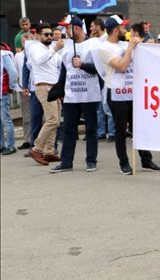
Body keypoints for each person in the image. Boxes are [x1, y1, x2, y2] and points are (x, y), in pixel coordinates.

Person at [95, 15, 160, 174]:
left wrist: (147, 44)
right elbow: (122, 66)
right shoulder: (104, 48)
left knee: (138, 127)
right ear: (115, 30)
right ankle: (124, 162)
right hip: (116, 92)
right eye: (123, 28)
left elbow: (144, 51)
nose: (126, 31)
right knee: (120, 130)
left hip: (132, 92)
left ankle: (147, 160)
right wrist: (131, 47)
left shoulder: (124, 44)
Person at [52, 17, 101, 172]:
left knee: (91, 128)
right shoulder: (67, 46)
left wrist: (83, 65)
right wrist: (60, 89)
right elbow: (64, 70)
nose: (65, 32)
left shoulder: (93, 44)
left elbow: (99, 68)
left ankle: (91, 160)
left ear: (77, 28)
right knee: (69, 129)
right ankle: (66, 162)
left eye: (68, 28)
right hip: (71, 94)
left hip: (89, 94)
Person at [25, 22, 64, 165]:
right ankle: (36, 149)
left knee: (56, 121)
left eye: (51, 34)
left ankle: (48, 151)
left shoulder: (51, 49)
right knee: (52, 120)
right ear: (37, 35)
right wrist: (55, 49)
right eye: (46, 34)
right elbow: (39, 60)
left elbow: (60, 63)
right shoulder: (35, 47)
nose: (49, 37)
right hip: (43, 87)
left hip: (54, 88)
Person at [1, 42, 18, 154]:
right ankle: (1, 145)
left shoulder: (3, 54)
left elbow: (12, 71)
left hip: (2, 92)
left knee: (5, 119)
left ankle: (11, 146)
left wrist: (12, 86)